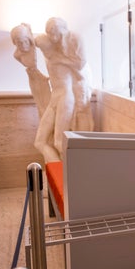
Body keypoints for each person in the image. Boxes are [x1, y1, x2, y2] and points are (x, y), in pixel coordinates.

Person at [34, 17, 94, 163]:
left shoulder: (64, 53)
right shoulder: (50, 58)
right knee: (39, 142)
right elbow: (34, 41)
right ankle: (56, 174)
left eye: (46, 47)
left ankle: (68, 176)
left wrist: (60, 60)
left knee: (59, 142)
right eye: (42, 48)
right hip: (55, 99)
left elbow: (80, 69)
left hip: (66, 98)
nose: (44, 51)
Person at [11, 23, 51, 117]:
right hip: (33, 79)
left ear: (29, 39)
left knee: (49, 103)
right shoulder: (17, 55)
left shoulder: (37, 48)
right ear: (15, 43)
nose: (22, 45)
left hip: (45, 79)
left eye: (25, 41)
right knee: (40, 104)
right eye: (19, 43)